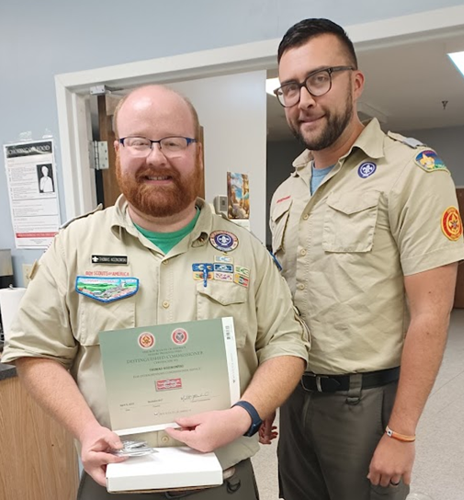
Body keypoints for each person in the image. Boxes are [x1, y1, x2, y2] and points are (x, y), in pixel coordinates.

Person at [2, 84, 309, 500]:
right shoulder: (73, 248)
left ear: (197, 152)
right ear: (117, 152)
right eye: (140, 142)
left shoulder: (245, 251)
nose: (156, 157)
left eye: (172, 142)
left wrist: (243, 416)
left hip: (220, 481)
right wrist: (86, 430)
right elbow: (34, 350)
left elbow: (287, 345)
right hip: (114, 481)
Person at [266, 18, 464, 500]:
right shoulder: (286, 190)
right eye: (290, 88)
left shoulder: (413, 173)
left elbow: (431, 314)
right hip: (294, 395)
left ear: (355, 82)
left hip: (366, 403)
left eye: (319, 78)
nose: (304, 100)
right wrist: (268, 388)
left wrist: (402, 433)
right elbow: (279, 309)